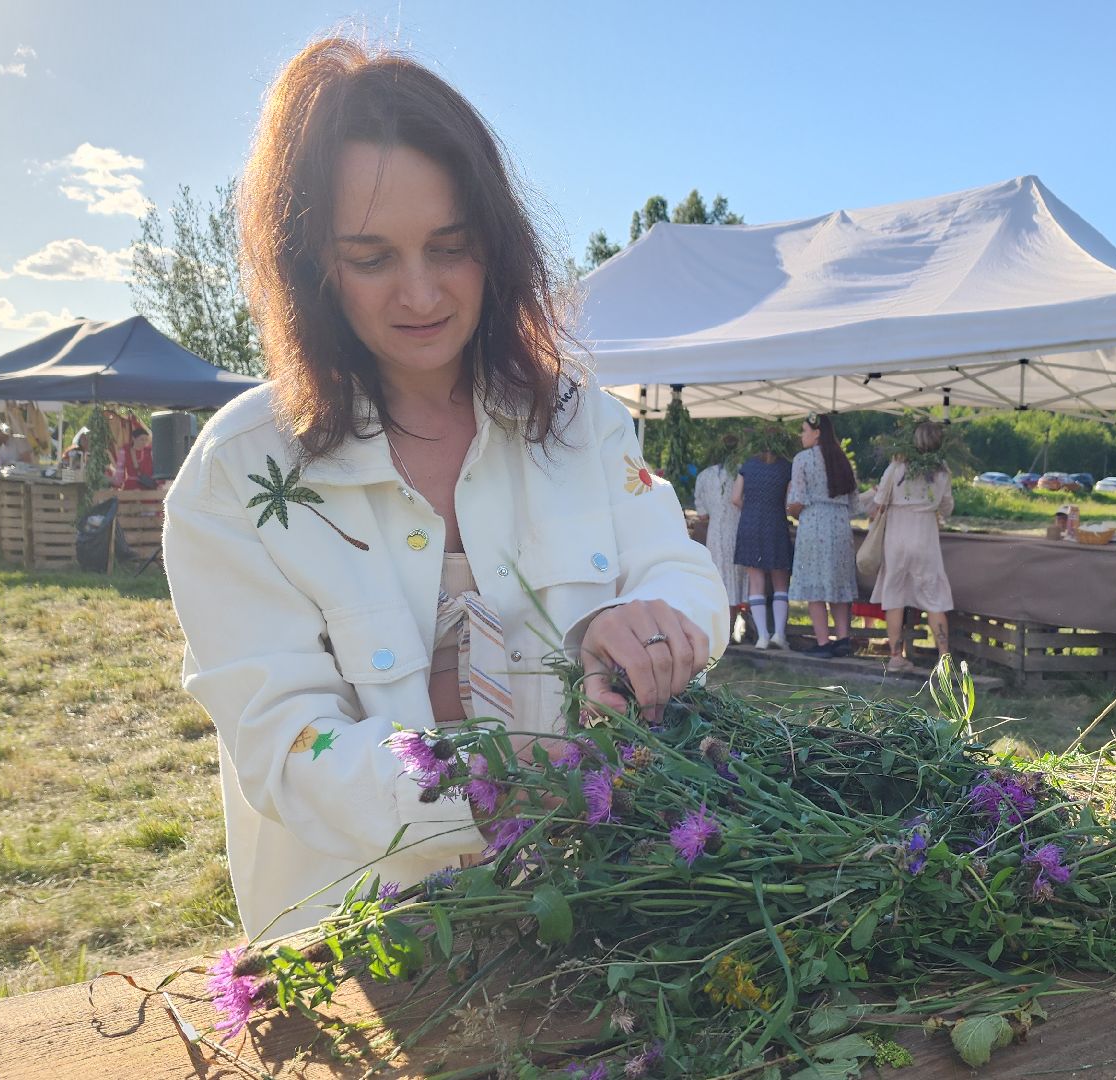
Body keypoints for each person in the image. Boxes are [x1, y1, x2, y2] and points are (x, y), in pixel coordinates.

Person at [161, 37, 726, 939]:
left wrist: (653, 619)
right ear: (312, 267)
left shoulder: (582, 421)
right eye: (373, 257)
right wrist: (516, 779)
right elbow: (286, 749)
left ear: (495, 247)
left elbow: (683, 572)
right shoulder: (238, 474)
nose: (420, 293)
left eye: (449, 248)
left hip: (588, 922)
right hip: (363, 951)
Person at [870, 421, 956, 675]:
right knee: (934, 597)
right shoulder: (942, 471)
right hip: (926, 536)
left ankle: (896, 656)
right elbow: (947, 507)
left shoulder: (897, 467)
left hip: (897, 536)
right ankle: (944, 659)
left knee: (894, 596)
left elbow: (878, 501)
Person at [786, 413, 859, 656]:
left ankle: (823, 642)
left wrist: (792, 510)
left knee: (815, 584)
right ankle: (843, 639)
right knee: (838, 583)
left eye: (804, 430)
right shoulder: (842, 460)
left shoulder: (803, 459)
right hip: (839, 524)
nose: (801, 435)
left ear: (817, 432)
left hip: (814, 522)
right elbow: (855, 503)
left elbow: (796, 499)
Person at [731, 433, 794, 649]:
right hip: (775, 523)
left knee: (755, 582)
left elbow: (735, 498)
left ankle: (762, 637)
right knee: (779, 581)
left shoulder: (747, 466)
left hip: (750, 524)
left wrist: (750, 509)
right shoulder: (787, 467)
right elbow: (788, 502)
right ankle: (779, 634)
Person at [692, 434, 749, 640]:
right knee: (735, 580)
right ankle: (732, 630)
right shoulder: (741, 472)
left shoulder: (704, 476)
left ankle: (718, 632)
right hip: (738, 530)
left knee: (718, 580)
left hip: (715, 533)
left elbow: (702, 514)